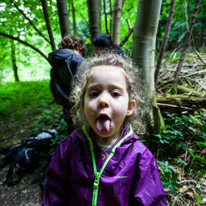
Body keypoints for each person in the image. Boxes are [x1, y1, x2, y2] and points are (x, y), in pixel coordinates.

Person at [43, 53, 167, 205]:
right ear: (82, 104)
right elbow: (54, 193)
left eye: (115, 93)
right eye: (94, 93)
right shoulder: (67, 149)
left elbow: (151, 201)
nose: (102, 101)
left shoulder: (140, 158)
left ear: (130, 107)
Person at [49, 35, 87, 134]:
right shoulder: (79, 60)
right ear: (78, 47)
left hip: (66, 108)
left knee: (73, 137)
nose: (82, 55)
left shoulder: (55, 67)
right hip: (82, 108)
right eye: (82, 52)